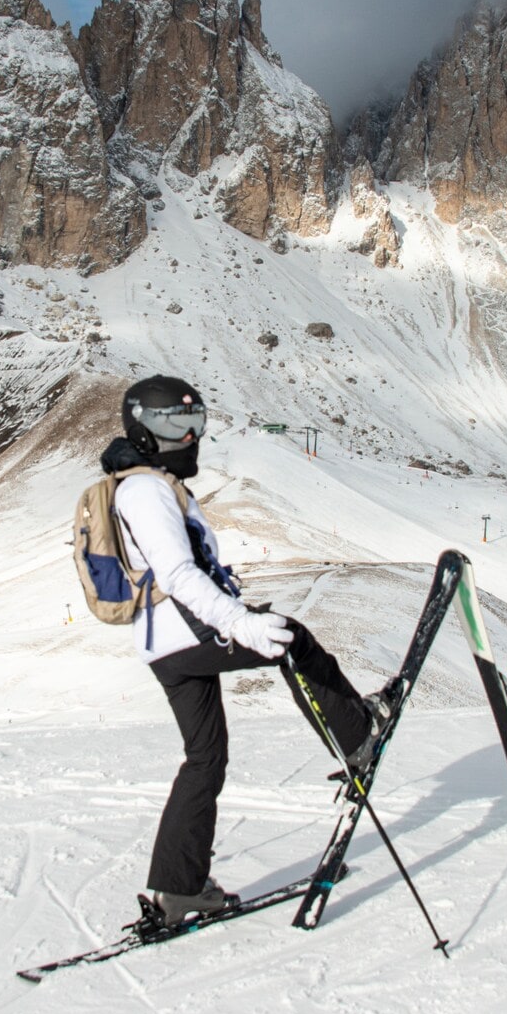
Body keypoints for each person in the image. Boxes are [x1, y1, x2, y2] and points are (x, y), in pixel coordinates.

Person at [103, 375, 393, 925]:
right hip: (186, 628)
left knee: (205, 758)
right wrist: (240, 622)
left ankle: (178, 889)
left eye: (195, 423)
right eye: (173, 424)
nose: (189, 437)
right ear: (141, 428)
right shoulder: (145, 489)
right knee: (290, 638)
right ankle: (358, 737)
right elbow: (178, 573)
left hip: (164, 643)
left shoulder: (149, 483)